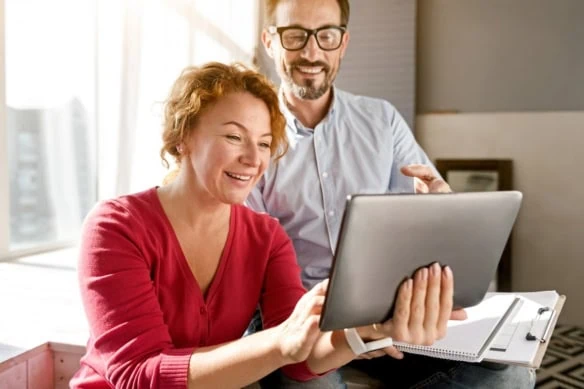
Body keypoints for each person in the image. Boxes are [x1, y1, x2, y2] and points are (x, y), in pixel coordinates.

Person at [70, 62, 459, 389]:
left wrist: (366, 331)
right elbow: (137, 373)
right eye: (234, 137)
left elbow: (298, 360)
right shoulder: (115, 226)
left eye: (264, 143)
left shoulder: (267, 236)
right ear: (181, 138)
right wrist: (280, 343)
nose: (252, 159)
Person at [247, 0, 536, 387]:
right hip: (296, 314)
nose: (311, 52)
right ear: (270, 40)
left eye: (326, 35)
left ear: (343, 42)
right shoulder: (250, 132)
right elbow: (247, 257)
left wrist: (441, 208)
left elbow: (430, 211)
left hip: (388, 308)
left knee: (510, 377)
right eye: (295, 35)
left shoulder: (381, 119)